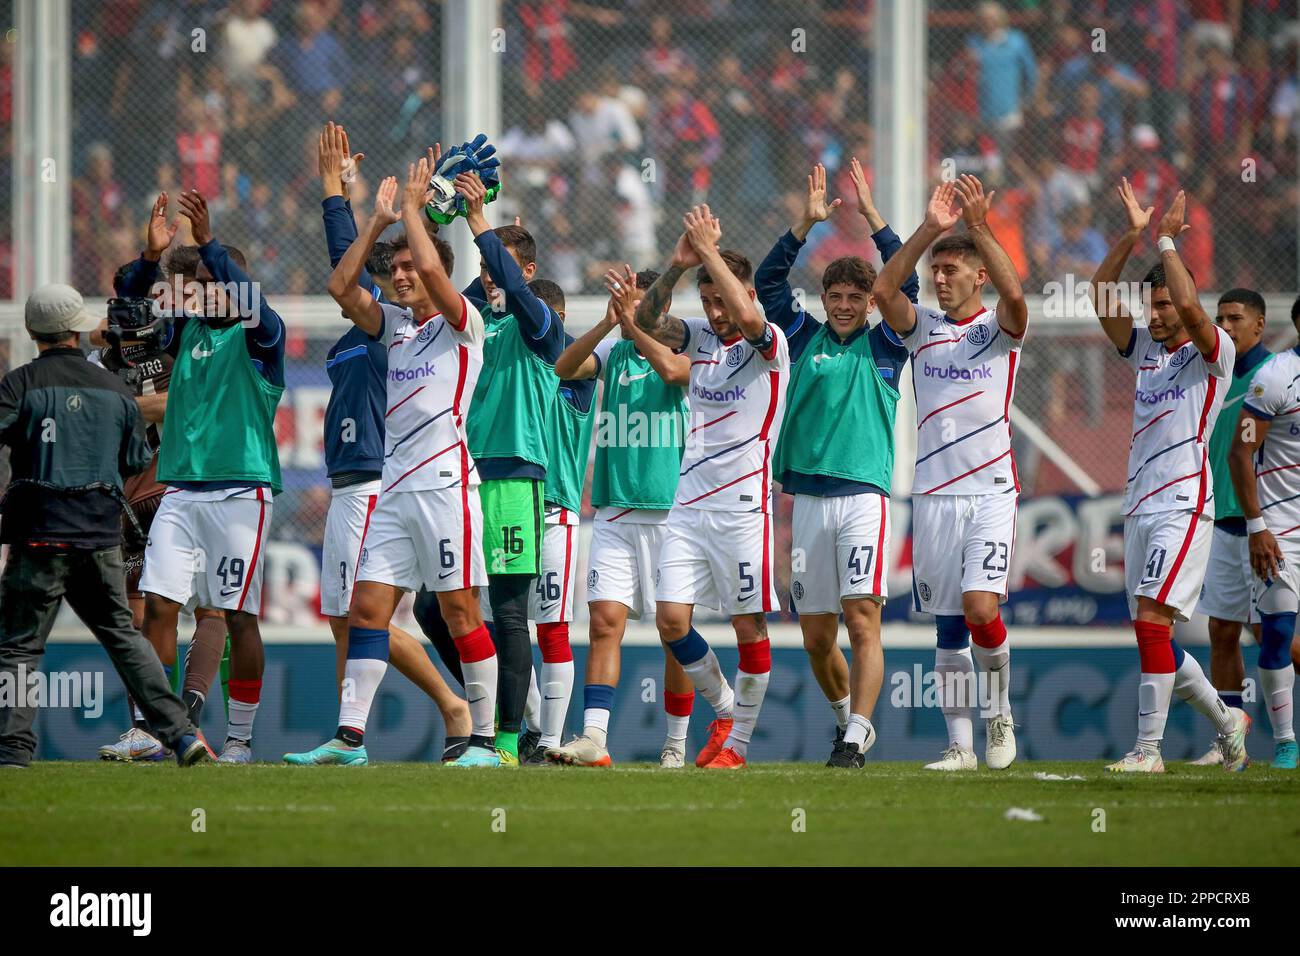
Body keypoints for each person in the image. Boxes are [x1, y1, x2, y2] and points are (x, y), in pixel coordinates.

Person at [285, 155, 494, 768]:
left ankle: (484, 738)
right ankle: (350, 739)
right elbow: (341, 290)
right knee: (367, 610)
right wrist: (375, 225)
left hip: (448, 486)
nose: (402, 276)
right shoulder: (394, 328)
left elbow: (433, 261)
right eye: (396, 270)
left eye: (409, 269)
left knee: (457, 611)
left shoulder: (464, 325)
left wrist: (412, 206)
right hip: (395, 491)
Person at [0, 284, 210, 768]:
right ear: (77, 329)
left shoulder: (19, 384)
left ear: (32, 331)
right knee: (123, 636)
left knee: (20, 645)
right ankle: (180, 734)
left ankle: (12, 750)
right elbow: (136, 456)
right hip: (98, 532)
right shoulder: (115, 390)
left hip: (38, 533)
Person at [753, 160, 918, 768]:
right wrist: (803, 228)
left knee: (861, 618)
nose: (846, 306)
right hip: (807, 501)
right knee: (817, 637)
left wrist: (875, 220)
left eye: (857, 297)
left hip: (863, 499)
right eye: (837, 296)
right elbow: (767, 287)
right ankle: (846, 720)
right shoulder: (800, 338)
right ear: (822, 299)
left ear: (871, 303)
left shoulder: (887, 343)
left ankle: (856, 736)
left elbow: (909, 289)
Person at [118, 188, 286, 764]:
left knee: (238, 615)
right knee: (159, 605)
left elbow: (248, 300)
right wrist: (149, 259)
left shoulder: (262, 338)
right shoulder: (183, 333)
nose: (200, 293)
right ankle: (150, 727)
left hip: (242, 492)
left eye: (212, 283)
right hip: (182, 492)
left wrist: (210, 243)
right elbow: (130, 306)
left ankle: (238, 739)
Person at [1090, 180, 1250, 773]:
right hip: (1140, 505)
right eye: (1149, 306)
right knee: (1152, 632)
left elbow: (1190, 308)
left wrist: (1165, 241)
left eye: (1162, 306)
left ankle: (1148, 750)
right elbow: (1100, 294)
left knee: (1153, 623)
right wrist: (1133, 235)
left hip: (1184, 503)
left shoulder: (1215, 354)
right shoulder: (1145, 352)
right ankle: (1228, 721)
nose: (1155, 315)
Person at [873, 176, 1026, 771]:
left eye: (951, 269)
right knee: (946, 627)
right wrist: (931, 229)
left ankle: (1001, 713)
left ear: (978, 276)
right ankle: (960, 746)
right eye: (936, 270)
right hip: (934, 495)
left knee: (981, 608)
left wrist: (981, 229)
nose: (940, 278)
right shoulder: (924, 331)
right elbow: (886, 288)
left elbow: (1018, 301)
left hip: (990, 491)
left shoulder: (998, 333)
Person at [634, 205, 791, 770]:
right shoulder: (700, 337)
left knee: (748, 626)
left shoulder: (768, 341)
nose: (714, 312)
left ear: (745, 292)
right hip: (687, 507)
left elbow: (749, 320)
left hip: (743, 508)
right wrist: (678, 267)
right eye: (707, 303)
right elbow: (647, 320)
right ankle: (724, 707)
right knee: (671, 621)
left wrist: (711, 258)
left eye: (721, 300)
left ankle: (739, 747)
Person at [546, 266, 697, 768]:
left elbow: (677, 375)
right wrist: (609, 325)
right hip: (613, 508)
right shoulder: (613, 353)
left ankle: (675, 741)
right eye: (627, 302)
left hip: (670, 514)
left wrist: (633, 327)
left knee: (673, 632)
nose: (634, 310)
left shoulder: (683, 352)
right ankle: (594, 737)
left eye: (641, 302)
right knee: (604, 623)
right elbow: (563, 368)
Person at [91, 281, 230, 761]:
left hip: (125, 497)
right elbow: (189, 407)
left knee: (138, 610)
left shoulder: (101, 369)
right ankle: (185, 717)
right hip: (182, 490)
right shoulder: (181, 358)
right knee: (210, 607)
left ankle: (146, 726)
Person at [508, 278, 596, 766]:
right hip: (511, 504)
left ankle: (548, 741)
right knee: (504, 625)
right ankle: (538, 726)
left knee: (553, 630)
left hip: (556, 511)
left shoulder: (576, 371)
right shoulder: (514, 367)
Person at [1190, 288, 1273, 766]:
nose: (1226, 325)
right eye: (1220, 317)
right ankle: (1232, 743)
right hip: (1220, 519)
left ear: (1259, 325)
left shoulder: (1277, 376)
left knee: (1271, 636)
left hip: (1265, 523)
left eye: (1236, 318)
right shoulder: (1212, 370)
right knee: (1222, 630)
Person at [1227, 298, 1300, 770]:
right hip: (1282, 531)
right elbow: (1240, 452)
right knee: (1275, 634)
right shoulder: (1274, 377)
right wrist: (1257, 527)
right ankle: (1286, 743)